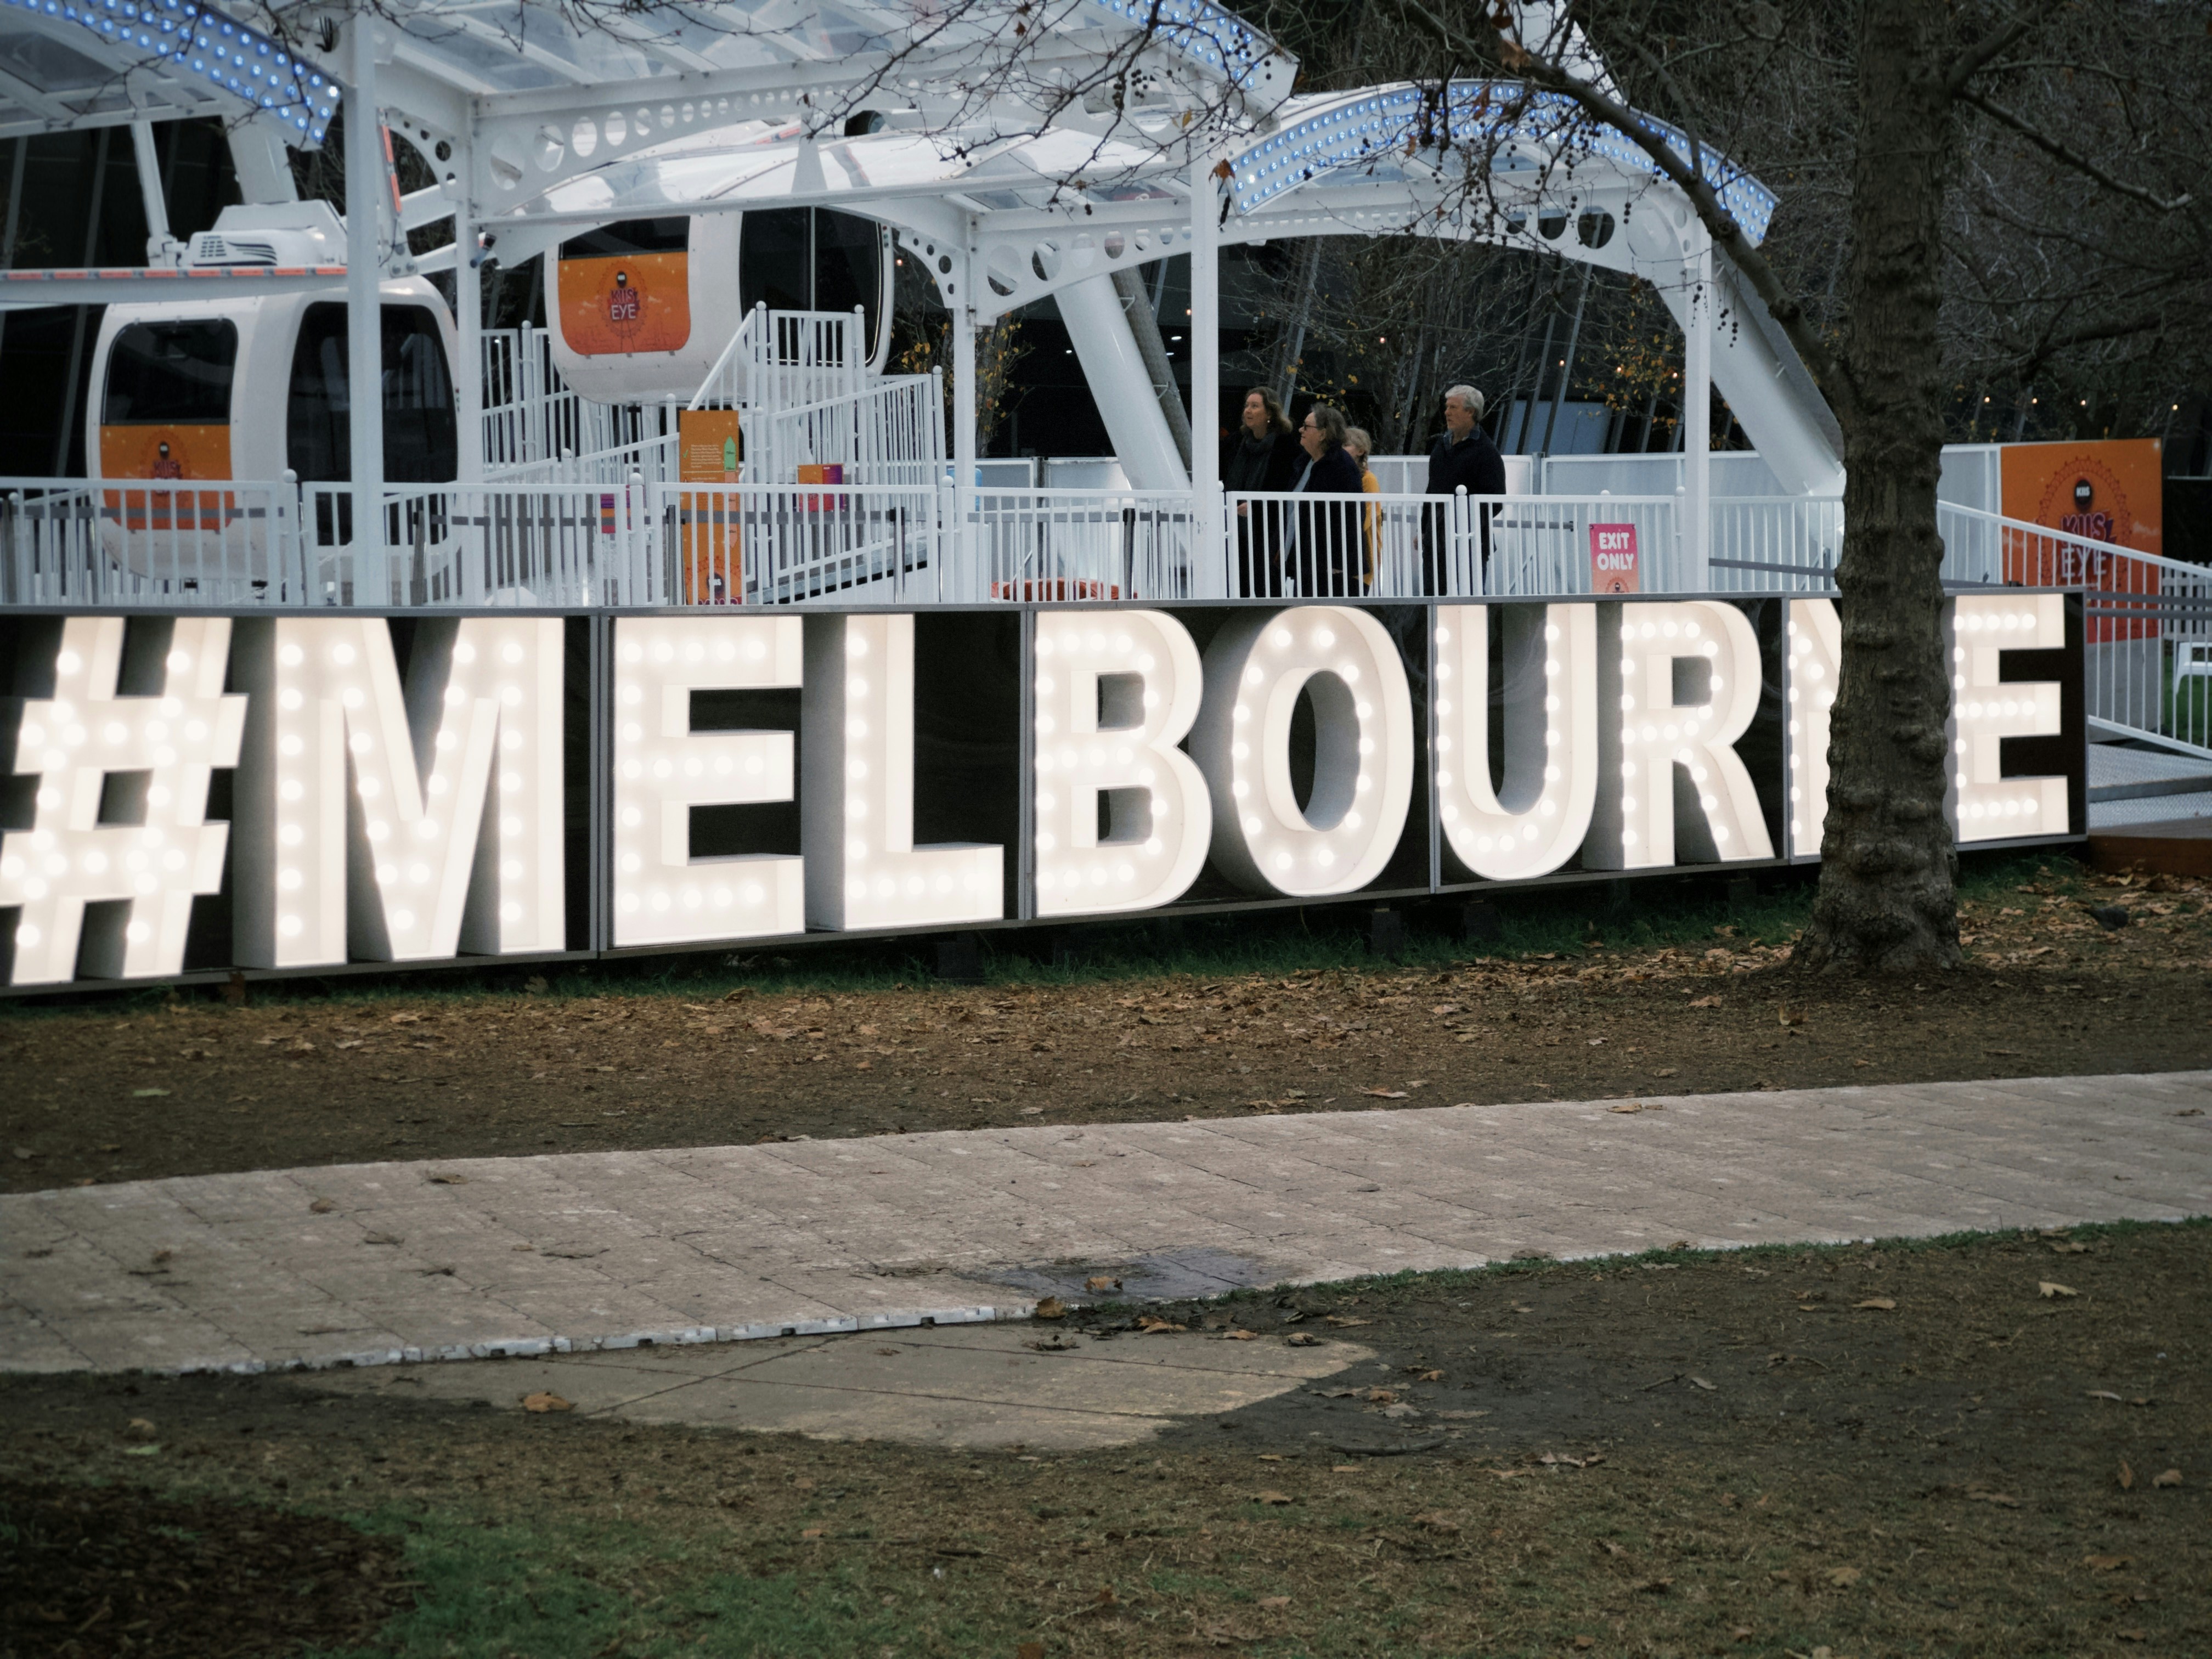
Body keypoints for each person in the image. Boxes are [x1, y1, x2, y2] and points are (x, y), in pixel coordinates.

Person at [1422, 384, 1508, 594]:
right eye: (1447, 407)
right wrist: (1424, 529)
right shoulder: (1441, 445)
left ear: (1470, 412)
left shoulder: (1486, 452)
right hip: (1436, 543)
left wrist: (1462, 525)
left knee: (1469, 601)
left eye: (1453, 407)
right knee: (1434, 601)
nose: (1447, 412)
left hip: (1470, 543)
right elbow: (1432, 490)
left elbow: (1495, 500)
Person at [1222, 387, 1301, 596]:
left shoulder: (1285, 446)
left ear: (1270, 413)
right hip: (1235, 526)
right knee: (1236, 583)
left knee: (1265, 583)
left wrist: (1256, 507)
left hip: (1268, 528)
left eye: (1255, 406)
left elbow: (1286, 488)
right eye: (1247, 406)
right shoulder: (1236, 443)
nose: (1248, 411)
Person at [1290, 402, 1364, 596]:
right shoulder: (1306, 462)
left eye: (1306, 426)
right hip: (1307, 557)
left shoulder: (1341, 466)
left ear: (1323, 434)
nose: (1301, 430)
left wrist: (1339, 561)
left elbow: (1352, 515)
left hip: (1330, 564)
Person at [1346, 426, 1383, 592]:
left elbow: (1367, 518)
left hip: (1364, 553)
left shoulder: (1368, 479)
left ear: (1361, 451)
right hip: (1350, 553)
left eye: (1346, 445)